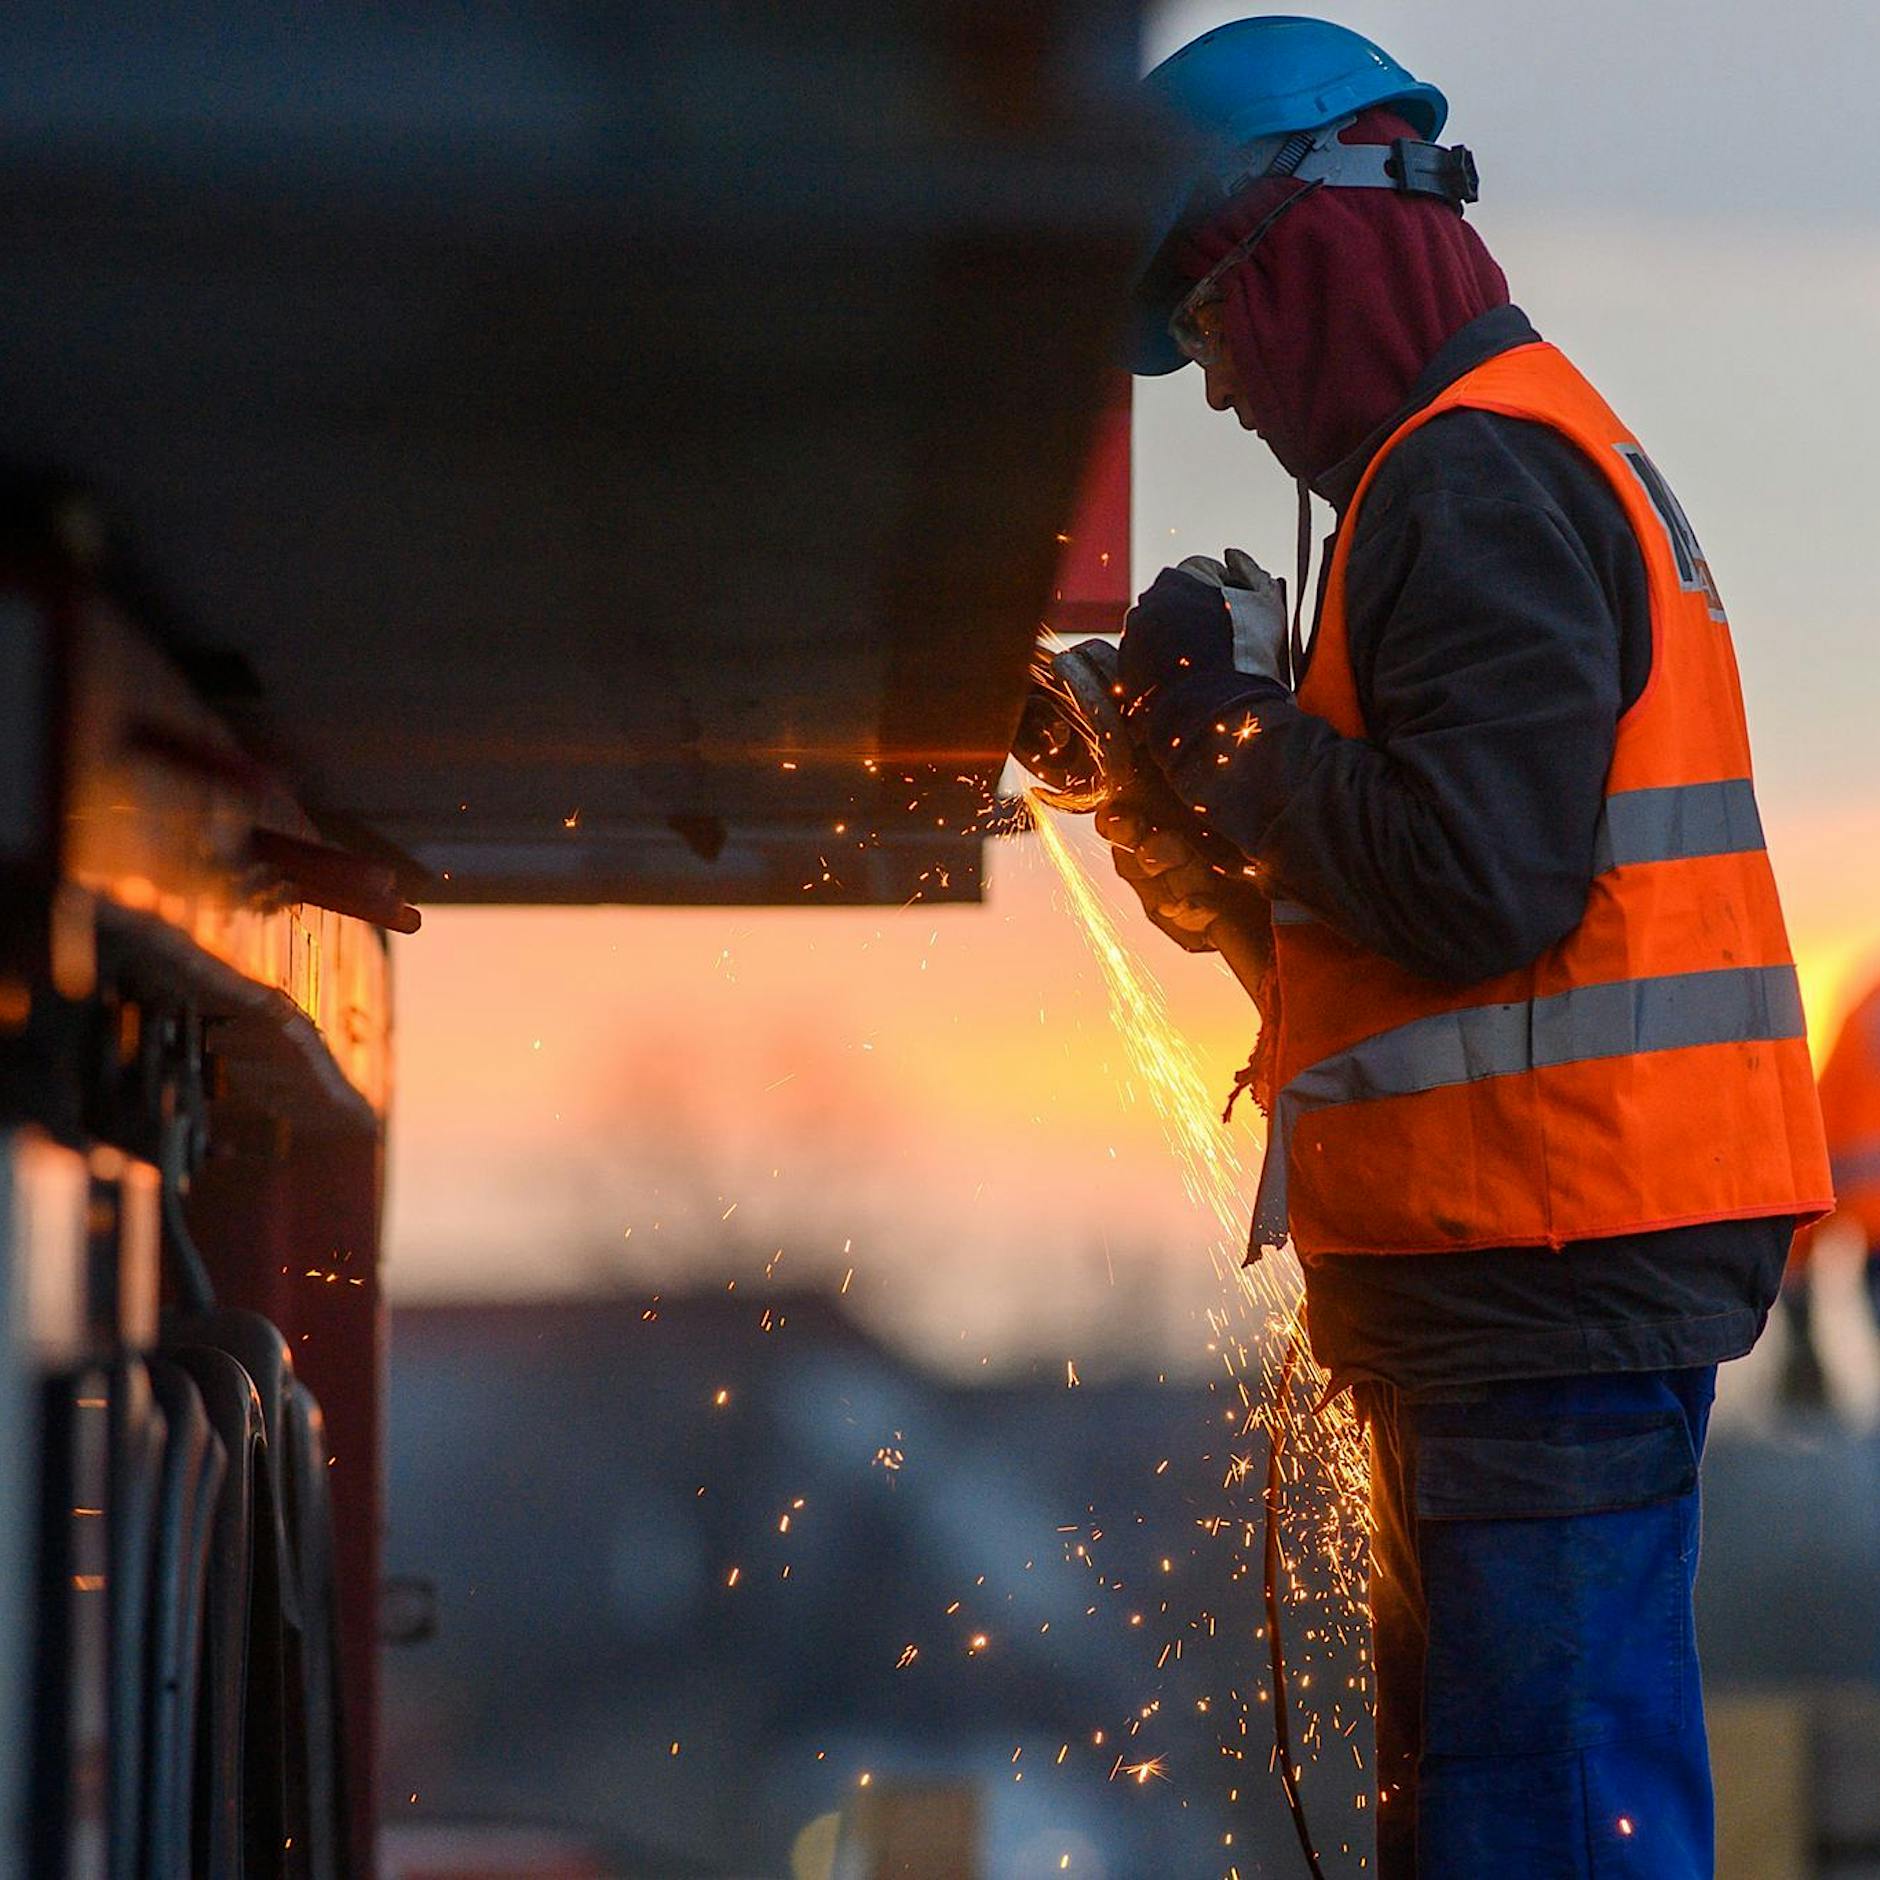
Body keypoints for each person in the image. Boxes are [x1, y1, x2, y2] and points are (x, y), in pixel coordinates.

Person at [1101, 18, 1834, 1876]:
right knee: (1499, 1817)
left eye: (1201, 313)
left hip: (1554, 1263)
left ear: (1308, 240)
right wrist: (1182, 811)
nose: (1210, 389)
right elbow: (1417, 940)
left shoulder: (1476, 478)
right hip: (1532, 1262)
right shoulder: (1480, 466)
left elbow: (1472, 887)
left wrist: (1240, 747)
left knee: (1540, 1826)